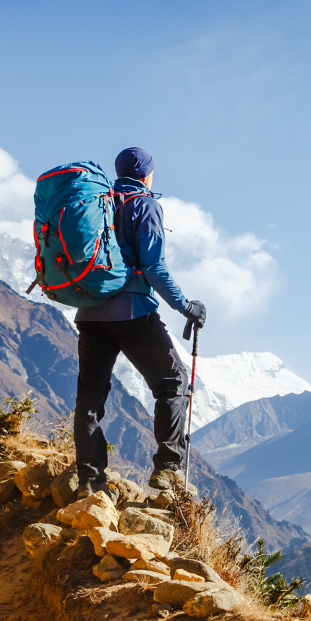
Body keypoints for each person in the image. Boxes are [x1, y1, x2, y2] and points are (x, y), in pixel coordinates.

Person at [72, 147, 207, 498]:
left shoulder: (96, 203)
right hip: (131, 312)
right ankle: (168, 470)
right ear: (147, 175)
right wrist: (185, 305)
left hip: (89, 313)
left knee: (89, 401)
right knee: (172, 383)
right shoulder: (143, 205)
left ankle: (90, 481)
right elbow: (153, 267)